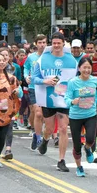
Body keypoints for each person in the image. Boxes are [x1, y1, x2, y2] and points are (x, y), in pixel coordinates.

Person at [32, 32, 78, 172]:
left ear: (64, 43)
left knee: (63, 128)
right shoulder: (42, 60)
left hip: (64, 99)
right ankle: (45, 140)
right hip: (48, 98)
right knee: (50, 129)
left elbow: (76, 79)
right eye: (54, 43)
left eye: (59, 43)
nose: (56, 45)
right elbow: (34, 78)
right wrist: (45, 81)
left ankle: (61, 160)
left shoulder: (72, 60)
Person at [65, 57, 97, 177]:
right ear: (79, 68)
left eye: (89, 68)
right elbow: (66, 98)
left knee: (91, 138)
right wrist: (72, 102)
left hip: (90, 114)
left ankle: (87, 149)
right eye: (84, 67)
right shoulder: (72, 82)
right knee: (76, 145)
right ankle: (79, 167)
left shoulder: (95, 81)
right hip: (75, 116)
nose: (86, 70)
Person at [24, 34, 47, 150]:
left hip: (47, 87)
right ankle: (38, 137)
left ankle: (38, 133)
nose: (42, 45)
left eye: (44, 42)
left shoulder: (50, 57)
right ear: (36, 44)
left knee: (44, 114)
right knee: (37, 112)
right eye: (40, 43)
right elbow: (26, 68)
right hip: (34, 87)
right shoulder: (31, 57)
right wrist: (26, 77)